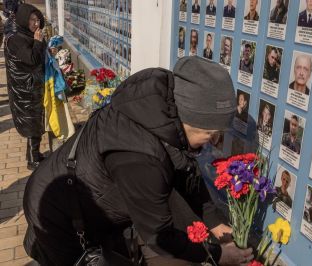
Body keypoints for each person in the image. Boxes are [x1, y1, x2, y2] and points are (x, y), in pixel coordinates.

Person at [23, 56, 254, 266]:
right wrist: (219, 255)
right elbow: (159, 237)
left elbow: (185, 169)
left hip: (91, 200)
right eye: (211, 134)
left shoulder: (163, 111)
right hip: (58, 216)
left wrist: (213, 221)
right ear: (191, 119)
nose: (215, 142)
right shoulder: (140, 157)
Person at [4, 3, 46, 170]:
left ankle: (34, 154)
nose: (36, 23)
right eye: (32, 20)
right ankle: (32, 159)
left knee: (35, 121)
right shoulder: (15, 39)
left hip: (31, 87)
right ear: (23, 20)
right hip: (24, 90)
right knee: (31, 123)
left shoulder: (27, 35)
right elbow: (31, 59)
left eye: (38, 20)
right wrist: (37, 42)